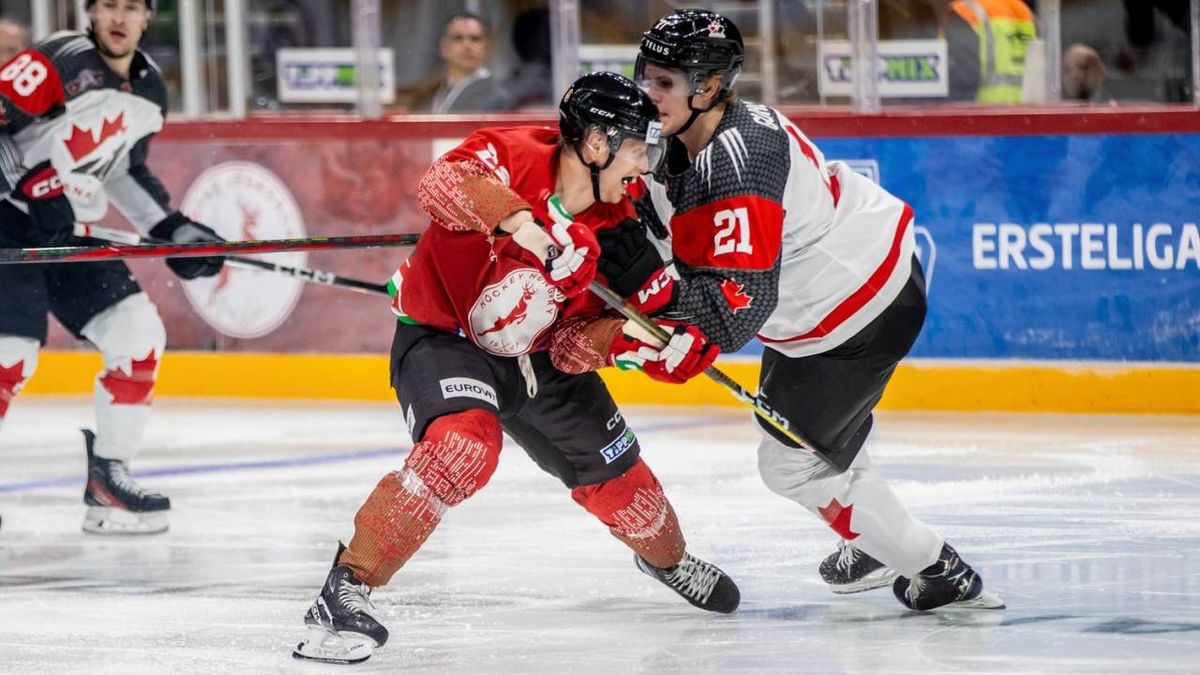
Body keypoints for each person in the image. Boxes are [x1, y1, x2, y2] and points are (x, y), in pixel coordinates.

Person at [293, 71, 736, 665]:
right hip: (445, 338)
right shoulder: (513, 153)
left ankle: (668, 563)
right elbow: (443, 184)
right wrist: (529, 226)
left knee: (632, 497)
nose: (645, 164)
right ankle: (346, 587)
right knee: (463, 448)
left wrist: (637, 344)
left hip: (541, 362)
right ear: (597, 144)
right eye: (637, 147)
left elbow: (573, 348)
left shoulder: (622, 232)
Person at [599, 8, 1004, 612]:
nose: (648, 94)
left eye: (665, 83)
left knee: (789, 466)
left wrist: (639, 293)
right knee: (817, 439)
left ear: (708, 88)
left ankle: (939, 572)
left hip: (855, 310)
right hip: (838, 293)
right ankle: (875, 535)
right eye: (646, 76)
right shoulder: (693, 134)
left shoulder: (738, 168)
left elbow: (733, 315)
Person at [0, 0, 225, 535]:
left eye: (130, 7)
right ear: (91, 12)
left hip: (66, 231)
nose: (118, 18)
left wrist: (173, 229)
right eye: (107, 6)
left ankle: (109, 479)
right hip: (7, 222)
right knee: (9, 353)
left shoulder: (150, 92)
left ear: (148, 16)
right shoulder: (57, 61)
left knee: (138, 332)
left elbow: (124, 168)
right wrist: (32, 182)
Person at [410, 12, 509, 113]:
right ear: (444, 47)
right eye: (458, 38)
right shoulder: (430, 93)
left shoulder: (496, 95)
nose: (467, 45)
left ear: (487, 47)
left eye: (475, 39)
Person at [943, 0, 1036, 103]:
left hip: (982, 110)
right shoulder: (1023, 10)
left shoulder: (965, 10)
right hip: (1024, 111)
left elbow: (961, 79)